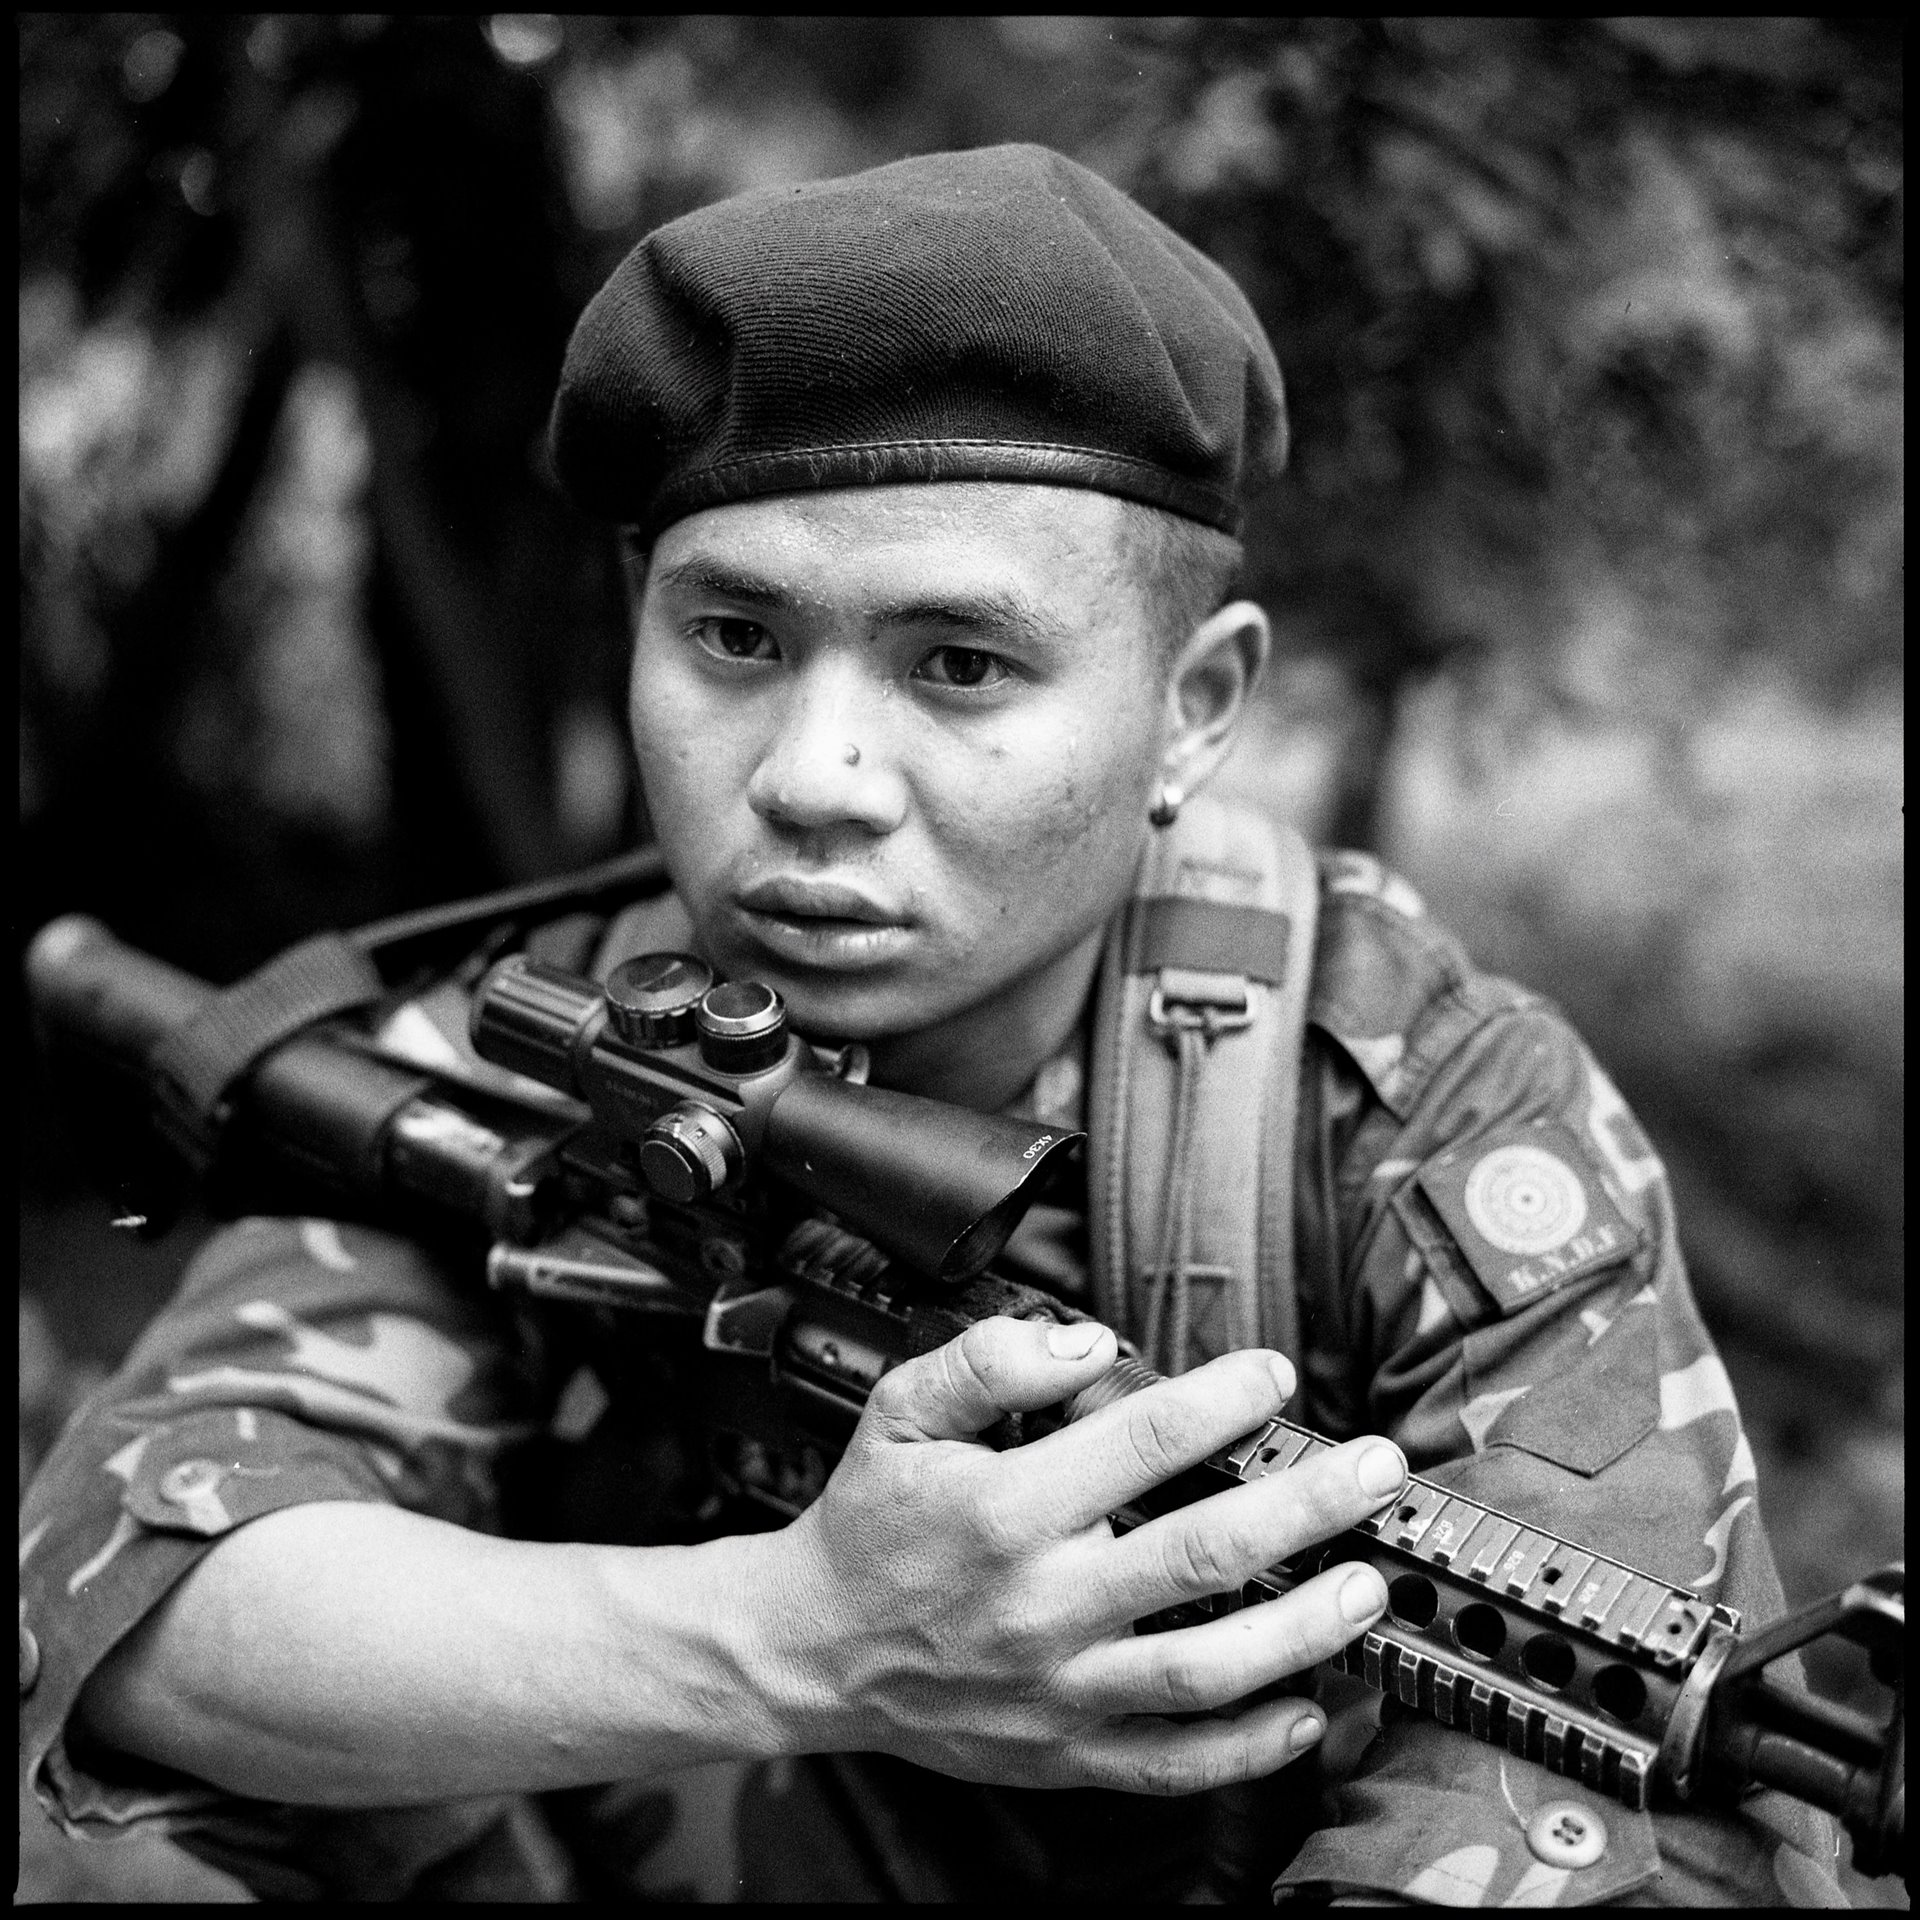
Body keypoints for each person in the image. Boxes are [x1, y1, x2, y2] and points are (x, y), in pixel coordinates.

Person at [20, 144, 1845, 1905]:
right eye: (733, 637)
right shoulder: (563, 1039)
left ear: (1193, 711)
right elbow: (134, 1584)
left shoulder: (1415, 1110)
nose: (813, 779)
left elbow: (1589, 1814)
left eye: (958, 665)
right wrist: (792, 1640)